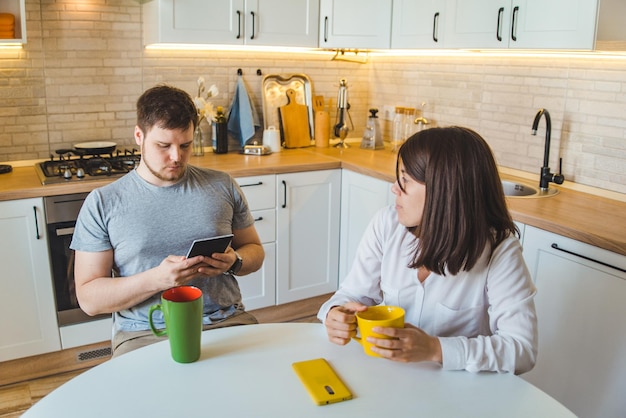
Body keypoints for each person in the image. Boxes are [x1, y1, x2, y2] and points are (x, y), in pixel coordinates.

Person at [318, 126, 537, 374]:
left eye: (405, 180)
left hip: (461, 390)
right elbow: (354, 294)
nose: (394, 188)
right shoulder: (386, 225)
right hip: (390, 376)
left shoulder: (500, 251)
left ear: (443, 190)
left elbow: (522, 349)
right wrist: (335, 312)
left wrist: (435, 349)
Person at [71, 84, 265, 357]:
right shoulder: (103, 202)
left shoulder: (222, 186)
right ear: (139, 136)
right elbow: (89, 299)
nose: (177, 157)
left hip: (227, 321)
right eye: (163, 145)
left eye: (185, 145)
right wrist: (158, 279)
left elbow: (255, 252)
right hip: (145, 332)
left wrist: (235, 262)